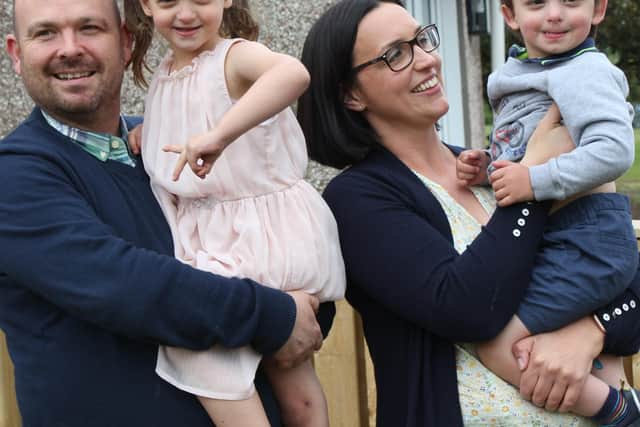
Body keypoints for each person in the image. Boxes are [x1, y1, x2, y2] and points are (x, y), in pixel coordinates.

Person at [297, 0, 640, 426]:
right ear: (351, 93)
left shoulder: (494, 166)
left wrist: (591, 331)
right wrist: (531, 182)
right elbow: (466, 308)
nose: (426, 60)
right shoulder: (359, 199)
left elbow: (624, 277)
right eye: (396, 54)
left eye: (422, 40)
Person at [0, 0, 334, 426]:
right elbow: (125, 284)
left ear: (124, 44)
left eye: (89, 28)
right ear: (16, 53)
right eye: (45, 33)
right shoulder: (15, 174)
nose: (69, 48)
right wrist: (275, 316)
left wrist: (295, 309)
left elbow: (272, 250)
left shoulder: (171, 145)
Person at [122, 0, 345, 426]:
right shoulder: (169, 72)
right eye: (169, 1)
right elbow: (189, 118)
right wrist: (150, 130)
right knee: (287, 372)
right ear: (147, 5)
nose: (186, 13)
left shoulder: (234, 56)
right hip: (221, 235)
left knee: (205, 352)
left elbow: (292, 74)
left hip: (260, 233)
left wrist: (220, 135)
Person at [456, 0, 639, 424]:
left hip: (585, 236)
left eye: (571, 1)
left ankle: (618, 411)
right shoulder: (523, 72)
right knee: (559, 336)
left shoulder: (583, 71)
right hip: (558, 233)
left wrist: (533, 182)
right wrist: (489, 167)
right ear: (509, 15)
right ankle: (604, 391)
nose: (554, 14)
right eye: (537, 3)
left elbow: (613, 149)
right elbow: (528, 149)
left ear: (598, 10)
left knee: (498, 343)